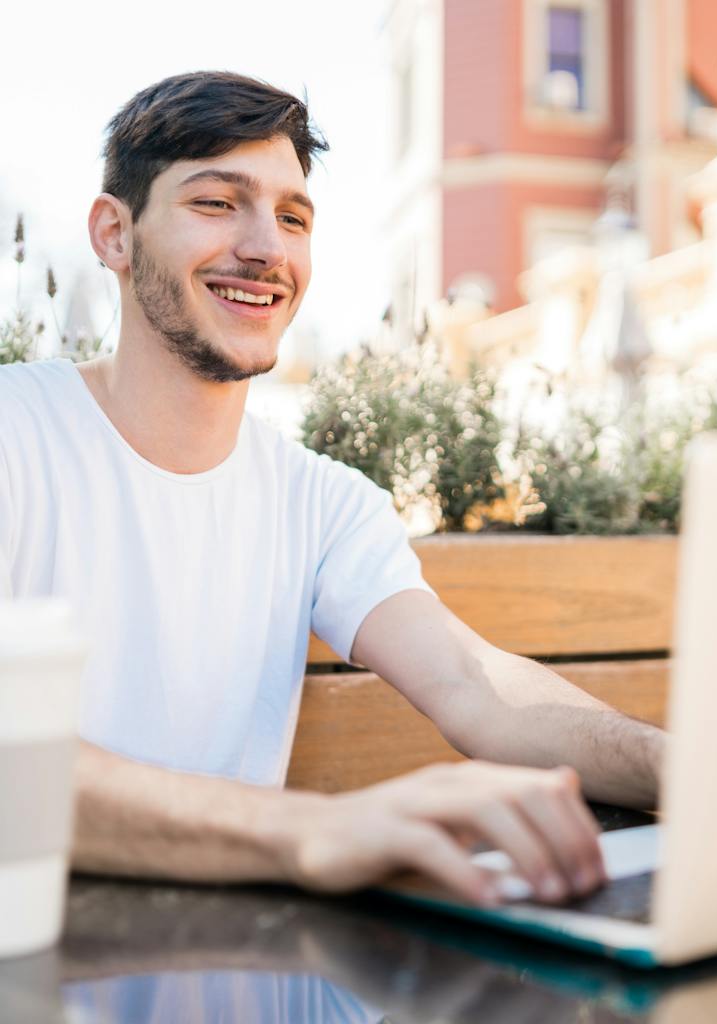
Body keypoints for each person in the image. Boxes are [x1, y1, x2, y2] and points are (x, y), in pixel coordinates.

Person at [0, 72, 664, 908]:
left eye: (292, 217)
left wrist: (676, 766)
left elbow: (474, 684)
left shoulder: (324, 503)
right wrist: (314, 829)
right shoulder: (14, 437)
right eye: (216, 202)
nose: (267, 249)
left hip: (237, 963)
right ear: (114, 233)